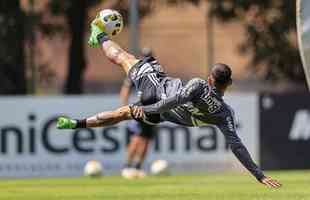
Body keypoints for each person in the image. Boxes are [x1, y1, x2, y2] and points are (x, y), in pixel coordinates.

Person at [57, 17, 281, 188]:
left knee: (124, 58)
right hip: (158, 115)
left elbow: (173, 101)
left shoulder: (199, 85)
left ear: (210, 78)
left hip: (157, 92)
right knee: (123, 114)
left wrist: (145, 107)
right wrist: (258, 174)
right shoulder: (225, 113)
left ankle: (100, 34)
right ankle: (76, 124)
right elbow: (236, 145)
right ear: (229, 83)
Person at [120, 77, 156, 179]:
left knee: (146, 139)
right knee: (137, 138)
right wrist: (125, 109)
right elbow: (125, 89)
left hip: (153, 110)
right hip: (138, 109)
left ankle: (137, 167)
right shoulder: (135, 74)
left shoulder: (154, 73)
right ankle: (127, 166)